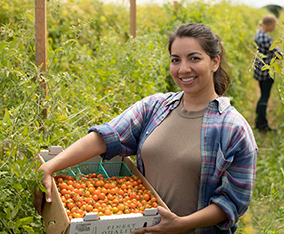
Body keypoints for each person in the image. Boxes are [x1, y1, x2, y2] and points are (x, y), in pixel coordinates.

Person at [34, 23, 258, 233]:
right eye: (175, 60)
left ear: (215, 62)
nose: (183, 69)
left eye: (194, 58)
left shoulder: (233, 128)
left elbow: (232, 201)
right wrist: (50, 167)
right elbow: (107, 136)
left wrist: (181, 225)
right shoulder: (155, 107)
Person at [253, 15, 281, 132]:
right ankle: (262, 124)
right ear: (269, 25)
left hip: (260, 70)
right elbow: (278, 54)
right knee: (264, 97)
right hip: (266, 72)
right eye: (273, 26)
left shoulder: (258, 34)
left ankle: (259, 121)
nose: (274, 28)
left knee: (263, 95)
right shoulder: (265, 38)